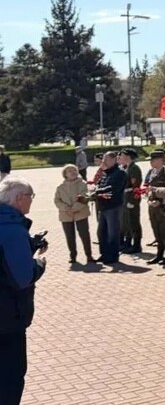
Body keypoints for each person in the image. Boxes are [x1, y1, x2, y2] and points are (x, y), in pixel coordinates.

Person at [0, 176, 47, 405]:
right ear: (19, 198)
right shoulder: (12, 230)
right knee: (10, 380)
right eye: (30, 197)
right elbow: (23, 277)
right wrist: (39, 262)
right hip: (8, 319)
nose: (31, 201)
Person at [54, 164, 93, 264]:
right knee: (69, 236)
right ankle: (73, 256)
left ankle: (89, 255)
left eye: (74, 170)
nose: (73, 172)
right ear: (65, 174)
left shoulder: (83, 184)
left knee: (84, 234)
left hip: (81, 213)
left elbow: (84, 197)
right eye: (70, 171)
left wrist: (74, 209)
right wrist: (67, 209)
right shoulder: (60, 187)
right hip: (66, 215)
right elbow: (57, 201)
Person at [92, 151, 127, 265]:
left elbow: (113, 188)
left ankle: (113, 255)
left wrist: (98, 191)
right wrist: (95, 191)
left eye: (106, 159)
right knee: (101, 232)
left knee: (113, 233)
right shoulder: (105, 173)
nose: (103, 162)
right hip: (103, 206)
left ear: (114, 160)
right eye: (103, 160)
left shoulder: (120, 173)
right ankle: (104, 254)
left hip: (113, 206)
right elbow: (99, 184)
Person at [144, 150, 165, 265]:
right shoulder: (152, 172)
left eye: (153, 160)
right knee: (156, 230)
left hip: (162, 207)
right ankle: (159, 254)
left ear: (160, 160)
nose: (151, 163)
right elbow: (148, 186)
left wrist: (161, 203)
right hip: (152, 205)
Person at [117, 148, 143, 254]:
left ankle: (136, 245)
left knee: (134, 222)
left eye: (122, 156)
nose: (120, 158)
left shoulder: (134, 168)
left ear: (128, 157)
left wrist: (132, 201)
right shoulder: (126, 168)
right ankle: (128, 243)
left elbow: (135, 185)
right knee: (126, 222)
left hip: (131, 196)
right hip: (125, 196)